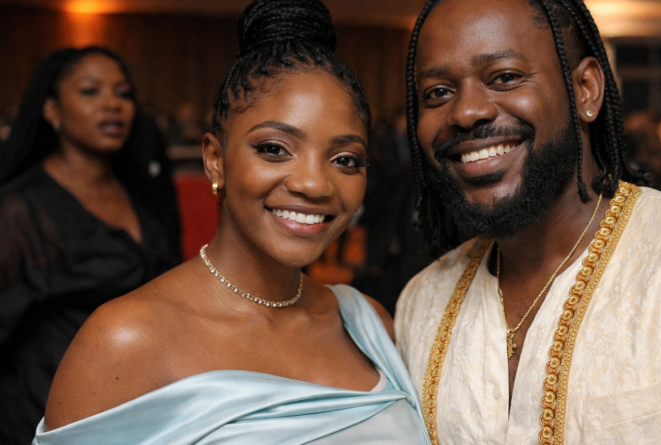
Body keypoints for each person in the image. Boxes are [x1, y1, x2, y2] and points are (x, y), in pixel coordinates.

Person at [394, 0, 661, 444]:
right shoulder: (422, 301)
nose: (465, 112)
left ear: (585, 90)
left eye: (505, 77)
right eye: (438, 92)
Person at [35, 0, 430, 443]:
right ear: (215, 160)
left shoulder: (369, 324)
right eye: (274, 149)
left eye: (345, 159)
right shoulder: (125, 340)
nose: (315, 184)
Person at [0, 47, 181, 445]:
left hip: (138, 410)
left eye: (122, 93)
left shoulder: (140, 191)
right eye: (90, 91)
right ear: (52, 110)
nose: (112, 104)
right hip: (48, 412)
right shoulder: (21, 208)